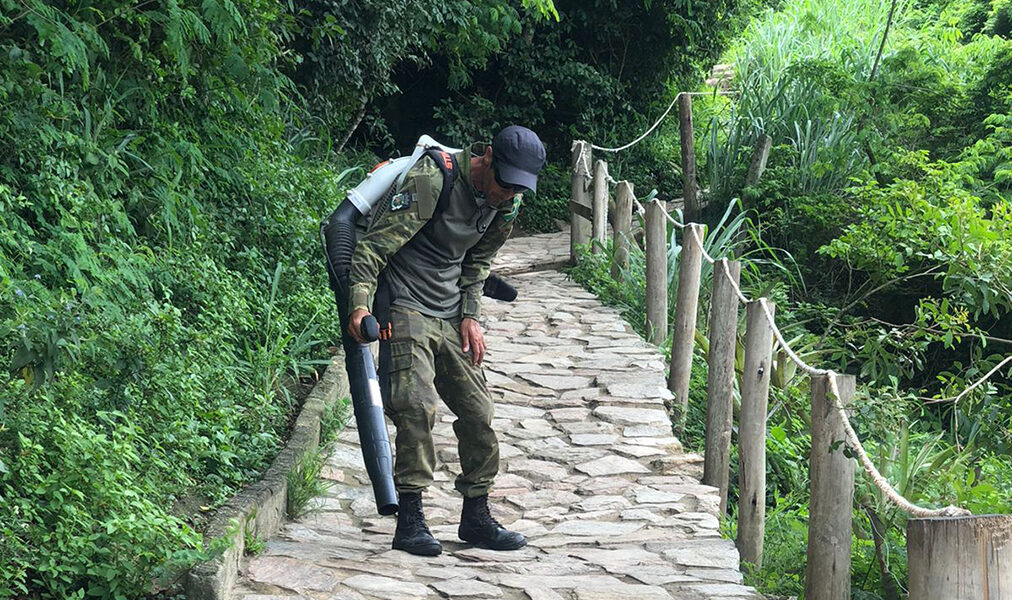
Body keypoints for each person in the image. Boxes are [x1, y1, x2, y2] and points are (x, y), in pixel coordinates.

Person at [345, 125, 547, 556]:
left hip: (451, 309)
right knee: (416, 405)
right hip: (405, 303)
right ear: (486, 157)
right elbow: (374, 248)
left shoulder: (507, 204)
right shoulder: (433, 179)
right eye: (504, 183)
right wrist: (360, 306)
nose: (508, 194)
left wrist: (471, 315)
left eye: (518, 189)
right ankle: (411, 519)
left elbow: (478, 263)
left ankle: (476, 515)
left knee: (479, 410)